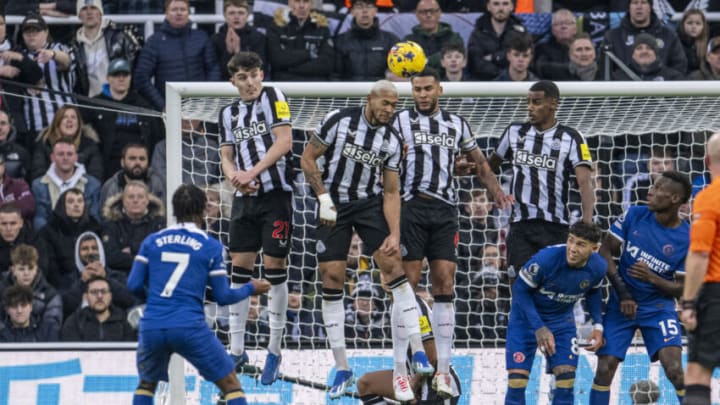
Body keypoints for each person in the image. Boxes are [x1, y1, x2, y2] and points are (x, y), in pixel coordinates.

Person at [300, 79, 432, 401]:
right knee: (331, 277)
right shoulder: (339, 120)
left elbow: (390, 191)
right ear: (370, 99)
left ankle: (418, 352)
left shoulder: (391, 140)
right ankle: (342, 367)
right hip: (333, 203)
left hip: (369, 204)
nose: (390, 110)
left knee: (393, 266)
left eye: (394, 106)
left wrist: (395, 233)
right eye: (385, 103)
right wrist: (322, 198)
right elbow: (308, 158)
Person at [393, 67, 512, 397]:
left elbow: (481, 163)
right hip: (411, 208)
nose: (423, 94)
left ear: (440, 90)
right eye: (417, 89)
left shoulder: (457, 123)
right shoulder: (398, 122)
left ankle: (443, 370)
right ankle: (400, 371)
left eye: (428, 88)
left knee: (445, 283)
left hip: (445, 211)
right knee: (407, 287)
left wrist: (496, 192)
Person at [126, 184, 270, 405]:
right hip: (188, 326)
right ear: (203, 210)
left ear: (173, 210)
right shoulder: (209, 245)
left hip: (153, 323)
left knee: (147, 384)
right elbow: (223, 296)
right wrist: (251, 288)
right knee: (231, 384)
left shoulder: (151, 241)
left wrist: (156, 297)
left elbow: (133, 284)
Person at [218, 51, 294, 385]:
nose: (249, 83)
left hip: (276, 196)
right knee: (238, 268)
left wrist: (252, 172)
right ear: (232, 81)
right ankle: (236, 348)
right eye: (241, 78)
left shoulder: (273, 96)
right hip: (245, 199)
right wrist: (236, 177)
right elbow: (225, 155)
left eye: (253, 75)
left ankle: (274, 350)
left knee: (275, 269)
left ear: (261, 74)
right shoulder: (227, 113)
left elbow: (285, 141)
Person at [589, 171, 691, 405]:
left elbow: (683, 290)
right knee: (605, 367)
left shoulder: (687, 238)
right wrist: (623, 293)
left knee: (675, 369)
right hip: (621, 302)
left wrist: (652, 278)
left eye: (657, 188)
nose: (650, 191)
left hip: (658, 307)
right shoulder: (634, 214)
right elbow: (605, 251)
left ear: (675, 199)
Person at [488, 80, 595, 280]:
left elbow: (585, 183)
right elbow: (488, 167)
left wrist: (586, 225)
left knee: (552, 287)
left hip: (555, 226)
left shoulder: (572, 137)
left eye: (536, 102)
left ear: (553, 104)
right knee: (518, 284)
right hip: (520, 224)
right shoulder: (514, 132)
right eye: (528, 102)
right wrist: (493, 189)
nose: (530, 107)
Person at [504, 222, 607, 405]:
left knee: (566, 378)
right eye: (571, 241)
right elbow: (519, 290)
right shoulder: (546, 259)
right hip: (525, 319)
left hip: (561, 321)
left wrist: (597, 325)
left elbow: (594, 292)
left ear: (595, 248)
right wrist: (539, 327)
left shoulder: (599, 267)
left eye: (581, 244)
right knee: (517, 381)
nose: (573, 249)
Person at [356, 289, 462, 405]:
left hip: (436, 388)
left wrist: (413, 385)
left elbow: (431, 356)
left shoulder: (414, 307)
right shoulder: (395, 304)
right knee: (366, 383)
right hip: (414, 377)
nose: (384, 278)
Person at [680, 132, 720, 404]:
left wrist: (689, 301)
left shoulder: (709, 197)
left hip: (715, 293)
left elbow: (699, 254)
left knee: (697, 372)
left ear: (707, 161)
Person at [133, 0, 220, 110]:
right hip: (168, 110)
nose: (179, 13)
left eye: (183, 9)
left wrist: (206, 102)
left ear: (189, 13)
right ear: (166, 13)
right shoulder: (154, 42)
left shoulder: (201, 38)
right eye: (174, 9)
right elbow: (141, 77)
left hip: (200, 109)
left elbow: (213, 69)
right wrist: (163, 105)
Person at [85, 60, 163, 180]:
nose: (121, 79)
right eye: (116, 75)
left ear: (130, 77)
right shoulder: (95, 105)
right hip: (107, 167)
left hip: (139, 167)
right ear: (108, 78)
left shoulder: (143, 105)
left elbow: (156, 136)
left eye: (125, 75)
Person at [15, 14, 75, 134]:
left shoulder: (59, 48)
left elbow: (67, 60)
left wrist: (53, 55)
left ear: (46, 32)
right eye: (27, 31)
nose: (31, 35)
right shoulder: (19, 56)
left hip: (63, 124)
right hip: (35, 126)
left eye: (36, 31)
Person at [37, 188, 102, 292]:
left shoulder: (94, 227)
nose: (76, 205)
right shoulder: (49, 231)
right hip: (63, 286)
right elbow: (51, 270)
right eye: (71, 201)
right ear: (62, 205)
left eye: (80, 201)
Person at [71, 0, 140, 97]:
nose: (89, 12)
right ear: (79, 15)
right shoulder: (75, 45)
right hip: (92, 102)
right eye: (84, 9)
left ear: (100, 12)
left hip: (119, 100)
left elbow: (135, 71)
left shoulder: (120, 36)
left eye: (93, 8)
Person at [61, 231, 136, 317]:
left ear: (101, 250)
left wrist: (105, 278)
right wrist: (82, 282)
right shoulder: (68, 280)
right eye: (85, 249)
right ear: (77, 253)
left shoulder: (117, 276)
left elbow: (128, 301)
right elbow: (66, 307)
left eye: (94, 248)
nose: (90, 252)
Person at [601, 0, 686, 76]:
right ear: (629, 7)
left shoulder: (668, 35)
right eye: (635, 2)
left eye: (643, 2)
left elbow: (679, 67)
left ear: (650, 7)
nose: (639, 7)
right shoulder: (612, 36)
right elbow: (604, 71)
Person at [31, 139, 102, 230]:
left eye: (70, 154)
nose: (65, 158)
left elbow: (94, 218)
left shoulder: (92, 184)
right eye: (60, 154)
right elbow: (40, 218)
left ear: (76, 157)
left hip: (82, 236)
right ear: (52, 157)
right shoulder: (38, 185)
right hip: (51, 237)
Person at [101, 181, 165, 273]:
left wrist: (132, 248)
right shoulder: (111, 224)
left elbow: (160, 255)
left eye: (140, 197)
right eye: (131, 197)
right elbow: (111, 257)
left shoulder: (159, 224)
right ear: (123, 200)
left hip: (151, 275)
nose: (135, 200)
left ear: (147, 201)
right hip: (119, 277)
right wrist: (144, 258)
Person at [266, 0, 335, 81]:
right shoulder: (275, 27)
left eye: (306, 1)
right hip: (285, 86)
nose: (301, 6)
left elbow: (327, 65)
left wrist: (290, 68)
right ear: (289, 3)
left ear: (311, 4)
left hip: (315, 87)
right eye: (297, 1)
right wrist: (309, 54)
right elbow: (276, 60)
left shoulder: (321, 28)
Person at [31, 105, 104, 181]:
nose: (69, 120)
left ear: (79, 123)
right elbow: (38, 174)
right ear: (57, 122)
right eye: (65, 117)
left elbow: (95, 176)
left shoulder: (90, 145)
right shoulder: (45, 143)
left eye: (73, 117)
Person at [334, 0, 399, 81]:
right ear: (352, 11)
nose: (365, 11)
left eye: (369, 6)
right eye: (359, 6)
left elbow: (398, 71)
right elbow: (335, 75)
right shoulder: (341, 41)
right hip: (351, 91)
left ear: (375, 10)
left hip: (380, 91)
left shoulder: (391, 40)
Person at [61, 275, 135, 341]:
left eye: (104, 291)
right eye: (94, 292)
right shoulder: (74, 322)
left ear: (110, 296)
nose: (99, 296)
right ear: (86, 297)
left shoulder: (124, 322)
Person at [467, 0, 528, 80]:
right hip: (485, 83)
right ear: (488, 6)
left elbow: (525, 58)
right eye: (496, 4)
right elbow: (475, 63)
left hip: (514, 83)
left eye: (505, 4)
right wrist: (501, 74)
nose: (501, 8)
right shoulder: (478, 32)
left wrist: (493, 57)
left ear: (512, 7)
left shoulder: (520, 32)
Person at [211, 0, 267, 82]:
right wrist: (229, 53)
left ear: (247, 16)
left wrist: (238, 53)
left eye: (241, 13)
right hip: (223, 86)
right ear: (225, 15)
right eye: (232, 13)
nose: (236, 17)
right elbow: (216, 72)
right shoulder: (215, 39)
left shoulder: (258, 38)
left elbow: (260, 68)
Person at [403, 0, 464, 73]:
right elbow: (407, 64)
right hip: (419, 80)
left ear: (439, 13)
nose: (428, 15)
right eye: (423, 12)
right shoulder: (409, 40)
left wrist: (425, 61)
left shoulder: (454, 38)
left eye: (432, 11)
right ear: (417, 15)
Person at [100, 143, 165, 207]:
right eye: (132, 158)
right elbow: (105, 215)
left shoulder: (157, 184)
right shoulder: (111, 186)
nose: (137, 162)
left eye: (142, 159)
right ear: (122, 162)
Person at [611, 33, 683, 81]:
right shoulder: (618, 78)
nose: (644, 51)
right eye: (639, 48)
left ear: (656, 53)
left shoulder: (672, 77)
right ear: (633, 54)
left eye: (649, 48)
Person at [534, 9, 577, 80]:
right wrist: (571, 68)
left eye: (568, 23)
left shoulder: (583, 46)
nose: (563, 27)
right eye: (558, 24)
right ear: (552, 30)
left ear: (575, 29)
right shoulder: (542, 48)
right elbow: (541, 68)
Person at [0, 204, 40, 272]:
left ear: (21, 223)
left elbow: (42, 268)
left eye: (13, 223)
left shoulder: (34, 239)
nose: (8, 229)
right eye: (4, 224)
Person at [0, 153, 35, 223]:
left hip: (20, 228)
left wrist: (2, 206)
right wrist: (14, 203)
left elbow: (29, 207)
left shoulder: (19, 184)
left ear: (3, 166)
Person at [0, 111, 33, 183]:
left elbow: (29, 182)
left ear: (9, 126)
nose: (0, 128)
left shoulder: (22, 153)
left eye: (3, 123)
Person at [677, 9, 709, 75]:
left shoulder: (708, 44)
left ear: (703, 26)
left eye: (698, 23)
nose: (694, 27)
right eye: (690, 23)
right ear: (683, 24)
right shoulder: (675, 42)